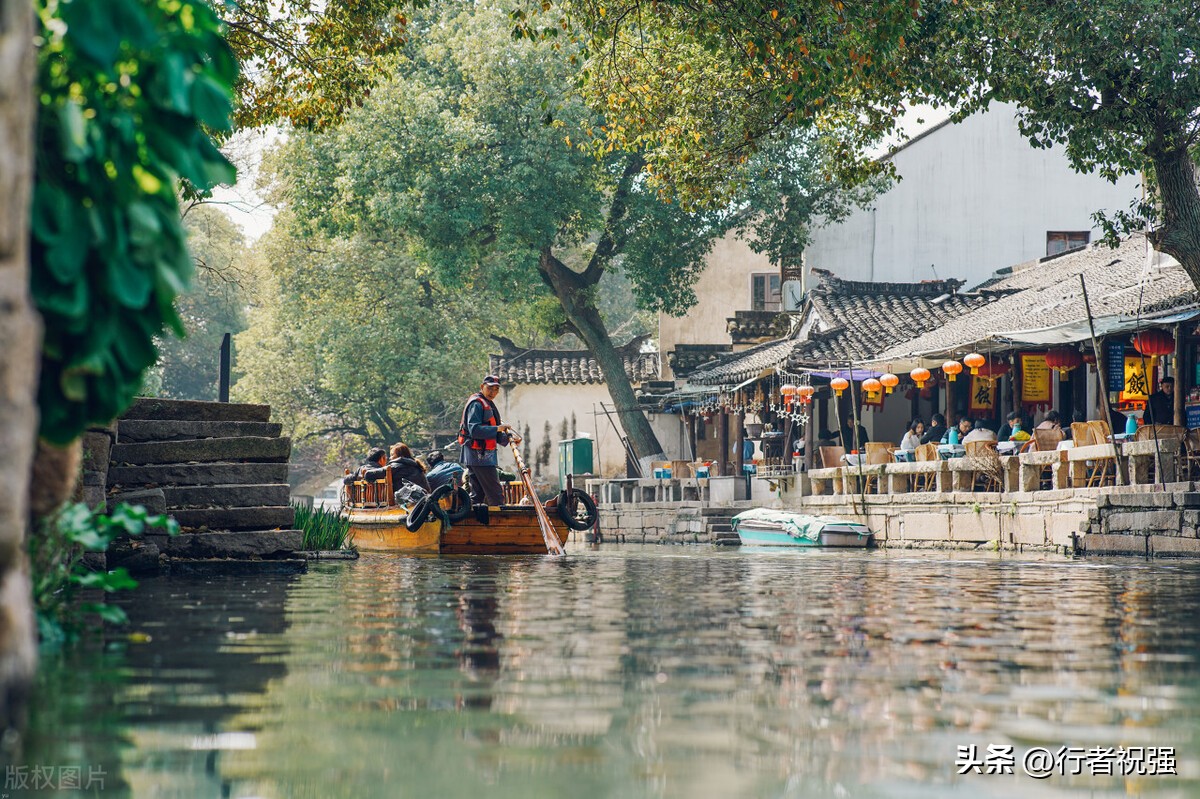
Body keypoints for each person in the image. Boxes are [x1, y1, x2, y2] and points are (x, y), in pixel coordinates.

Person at [459, 375, 520, 506]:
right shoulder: (476, 404)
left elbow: (493, 434)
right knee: (495, 493)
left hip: (479, 455)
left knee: (478, 495)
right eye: (490, 389)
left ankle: (474, 518)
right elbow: (474, 430)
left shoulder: (488, 404)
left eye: (496, 389)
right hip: (479, 455)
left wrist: (509, 440)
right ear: (482, 387)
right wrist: (498, 428)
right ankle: (501, 518)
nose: (493, 392)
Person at [363, 443, 431, 492]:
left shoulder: (396, 466)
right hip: (422, 499)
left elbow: (368, 474)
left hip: (406, 501)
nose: (390, 458)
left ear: (399, 455)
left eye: (392, 455)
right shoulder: (415, 465)